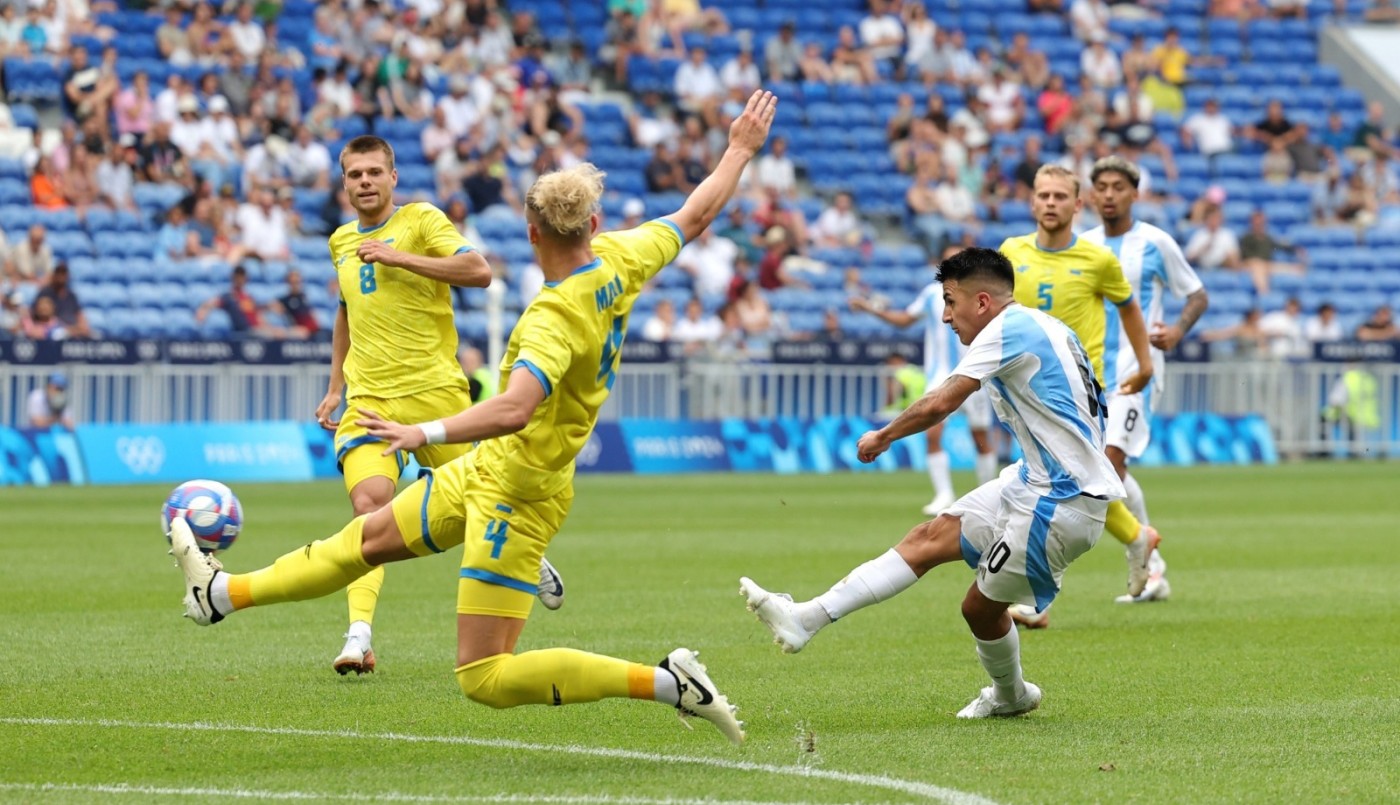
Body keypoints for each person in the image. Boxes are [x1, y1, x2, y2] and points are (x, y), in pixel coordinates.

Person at [168, 90, 780, 746]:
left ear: (532, 232)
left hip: (520, 495)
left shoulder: (554, 317)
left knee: (483, 674)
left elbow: (515, 407)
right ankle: (221, 594)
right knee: (366, 536)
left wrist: (422, 433)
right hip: (490, 471)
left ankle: (668, 681)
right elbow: (696, 210)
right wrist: (739, 149)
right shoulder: (623, 260)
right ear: (595, 225)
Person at [739, 247, 1124, 719]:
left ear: (981, 302)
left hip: (1060, 503)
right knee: (927, 537)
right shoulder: (1045, 326)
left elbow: (942, 401)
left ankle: (1011, 696)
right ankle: (806, 618)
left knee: (978, 610)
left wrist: (883, 435)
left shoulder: (1005, 330)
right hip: (1034, 482)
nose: (944, 316)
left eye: (950, 302)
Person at [312, 135, 563, 677]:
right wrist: (335, 386)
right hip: (369, 404)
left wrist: (397, 256)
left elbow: (479, 271)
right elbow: (345, 310)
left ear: (393, 177)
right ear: (344, 181)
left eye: (374, 172)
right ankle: (358, 636)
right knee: (369, 511)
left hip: (436, 398)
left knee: (487, 503)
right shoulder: (339, 241)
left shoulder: (423, 220)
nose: (364, 182)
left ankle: (525, 552)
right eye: (354, 174)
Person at [1055, 156, 1209, 615]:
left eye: (1117, 186)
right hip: (1093, 371)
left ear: (1134, 193)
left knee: (1106, 463)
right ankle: (1151, 557)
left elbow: (1197, 294)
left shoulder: (1155, 243)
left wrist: (1178, 330)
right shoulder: (1082, 245)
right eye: (1100, 186)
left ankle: (1134, 554)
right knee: (1103, 470)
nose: (1108, 194)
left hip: (1139, 368)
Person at [998, 165, 1160, 600]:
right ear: (1032, 201)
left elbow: (1129, 309)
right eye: (1043, 195)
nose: (1050, 203)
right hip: (1022, 391)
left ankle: (1030, 598)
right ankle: (1136, 536)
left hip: (1077, 392)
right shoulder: (1011, 252)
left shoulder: (1097, 259)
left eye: (1059, 196)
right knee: (1079, 485)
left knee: (1052, 488)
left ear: (1077, 204)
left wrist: (1145, 365)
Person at [849, 260, 1000, 515]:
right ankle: (944, 495)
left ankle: (988, 495)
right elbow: (905, 319)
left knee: (981, 437)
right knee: (932, 433)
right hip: (940, 375)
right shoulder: (932, 294)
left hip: (976, 371)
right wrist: (871, 310)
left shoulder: (979, 293)